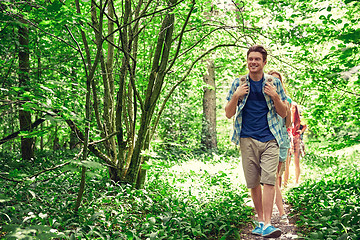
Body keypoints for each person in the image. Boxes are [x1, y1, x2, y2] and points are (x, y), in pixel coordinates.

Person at [225, 45, 287, 238]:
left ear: (264, 62)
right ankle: (260, 221)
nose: (253, 62)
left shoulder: (274, 82)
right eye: (250, 59)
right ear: (247, 60)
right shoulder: (239, 83)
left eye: (257, 59)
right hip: (247, 138)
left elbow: (283, 112)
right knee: (253, 183)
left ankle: (268, 223)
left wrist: (275, 96)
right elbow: (228, 113)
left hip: (271, 138)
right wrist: (236, 96)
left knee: (269, 180)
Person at [268, 70, 292, 223]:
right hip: (267, 140)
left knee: (275, 178)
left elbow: (288, 124)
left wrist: (287, 109)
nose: (274, 83)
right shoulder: (262, 99)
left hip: (282, 141)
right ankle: (279, 214)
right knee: (270, 179)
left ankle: (275, 215)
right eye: (272, 80)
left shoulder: (286, 99)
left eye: (277, 81)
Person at [283, 102, 306, 185]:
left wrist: (301, 131)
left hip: (297, 139)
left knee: (296, 161)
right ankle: (285, 182)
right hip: (289, 140)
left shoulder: (299, 118)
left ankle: (296, 181)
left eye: (294, 108)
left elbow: (305, 125)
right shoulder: (287, 115)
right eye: (291, 107)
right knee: (287, 162)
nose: (292, 109)